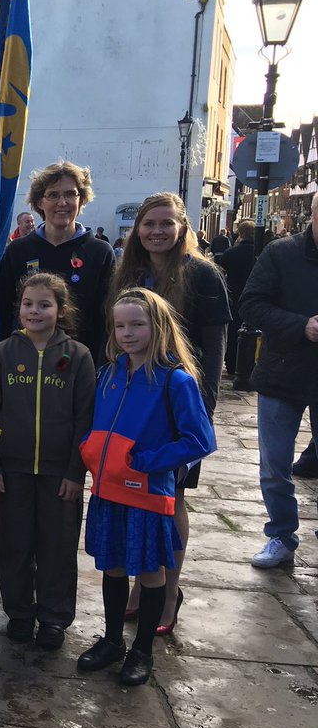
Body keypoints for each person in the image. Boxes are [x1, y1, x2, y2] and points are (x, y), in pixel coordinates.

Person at [77, 288, 214, 685]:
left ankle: (142, 651)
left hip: (148, 493)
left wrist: (147, 462)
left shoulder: (176, 380)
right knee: (114, 566)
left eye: (137, 324)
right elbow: (96, 424)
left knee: (151, 571)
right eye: (120, 325)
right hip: (108, 490)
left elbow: (199, 440)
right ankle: (113, 640)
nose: (127, 332)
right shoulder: (110, 372)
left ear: (158, 326)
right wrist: (90, 450)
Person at [110, 192, 230, 634]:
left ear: (183, 227)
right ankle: (143, 587)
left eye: (166, 223)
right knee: (134, 495)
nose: (157, 231)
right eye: (148, 224)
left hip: (178, 405)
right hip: (136, 405)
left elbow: (214, 350)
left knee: (169, 499)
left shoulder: (202, 274)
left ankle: (167, 590)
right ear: (138, 230)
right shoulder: (129, 272)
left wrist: (206, 409)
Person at [0, 273, 95, 649]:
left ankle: (53, 617)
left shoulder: (78, 356)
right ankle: (19, 611)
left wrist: (76, 471)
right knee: (14, 544)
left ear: (61, 310)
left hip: (60, 473)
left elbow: (85, 418)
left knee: (57, 546)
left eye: (44, 304)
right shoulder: (2, 354)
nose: (35, 311)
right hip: (12, 470)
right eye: (28, 303)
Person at [240, 191, 318, 569]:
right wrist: (301, 326)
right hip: (283, 372)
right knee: (275, 463)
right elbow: (251, 304)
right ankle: (282, 536)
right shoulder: (281, 254)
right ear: (313, 216)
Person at [0, 161, 116, 361]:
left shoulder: (100, 252)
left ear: (82, 199)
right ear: (40, 202)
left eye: (70, 194)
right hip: (27, 363)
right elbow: (4, 311)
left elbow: (107, 317)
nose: (62, 202)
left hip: (84, 365)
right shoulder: (17, 251)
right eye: (53, 195)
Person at [215, 219, 255, 375]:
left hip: (233, 295)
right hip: (253, 297)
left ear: (241, 233)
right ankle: (249, 364)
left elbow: (221, 271)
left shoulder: (231, 253)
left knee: (233, 330)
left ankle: (232, 363)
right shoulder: (261, 252)